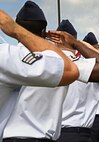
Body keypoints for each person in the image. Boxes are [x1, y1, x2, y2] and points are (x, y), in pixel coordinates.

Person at [0, 8, 79, 141]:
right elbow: (71, 69)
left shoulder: (7, 54)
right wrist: (15, 30)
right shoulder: (54, 58)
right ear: (44, 31)